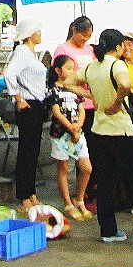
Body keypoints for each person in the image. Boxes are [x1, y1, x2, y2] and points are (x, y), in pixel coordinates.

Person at [82, 28, 133, 246]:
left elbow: (67, 81)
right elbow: (126, 85)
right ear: (118, 46)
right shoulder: (117, 64)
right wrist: (117, 103)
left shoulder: (93, 67)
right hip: (121, 130)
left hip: (99, 131)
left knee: (105, 181)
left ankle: (108, 230)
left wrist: (92, 95)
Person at [3, 18, 51, 210]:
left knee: (33, 151)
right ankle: (24, 194)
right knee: (26, 151)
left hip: (37, 104)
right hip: (28, 104)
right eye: (38, 31)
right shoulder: (22, 51)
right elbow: (9, 74)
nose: (40, 34)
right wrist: (18, 98)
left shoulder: (31, 54)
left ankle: (31, 192)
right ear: (30, 34)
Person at [47, 54, 93, 219]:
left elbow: (82, 109)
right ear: (58, 70)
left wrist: (78, 127)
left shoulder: (76, 88)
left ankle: (79, 199)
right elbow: (56, 112)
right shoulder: (53, 89)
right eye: (69, 68)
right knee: (64, 168)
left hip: (78, 133)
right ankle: (67, 203)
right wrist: (70, 127)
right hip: (61, 134)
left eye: (74, 68)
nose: (72, 71)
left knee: (86, 168)